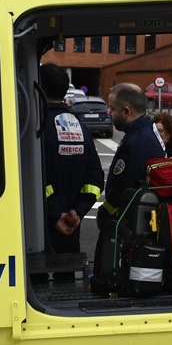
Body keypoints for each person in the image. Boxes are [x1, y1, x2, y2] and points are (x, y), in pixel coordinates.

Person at [91, 82, 165, 293]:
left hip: (127, 228)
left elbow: (126, 192)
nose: (108, 112)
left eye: (112, 108)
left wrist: (106, 215)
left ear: (126, 111)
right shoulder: (145, 129)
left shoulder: (137, 142)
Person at [39, 64, 103, 278]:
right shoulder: (79, 127)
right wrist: (77, 211)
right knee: (65, 290)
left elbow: (32, 178)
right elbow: (94, 180)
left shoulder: (34, 126)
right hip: (70, 228)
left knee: (34, 287)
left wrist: (54, 213)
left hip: (40, 229)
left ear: (37, 87)